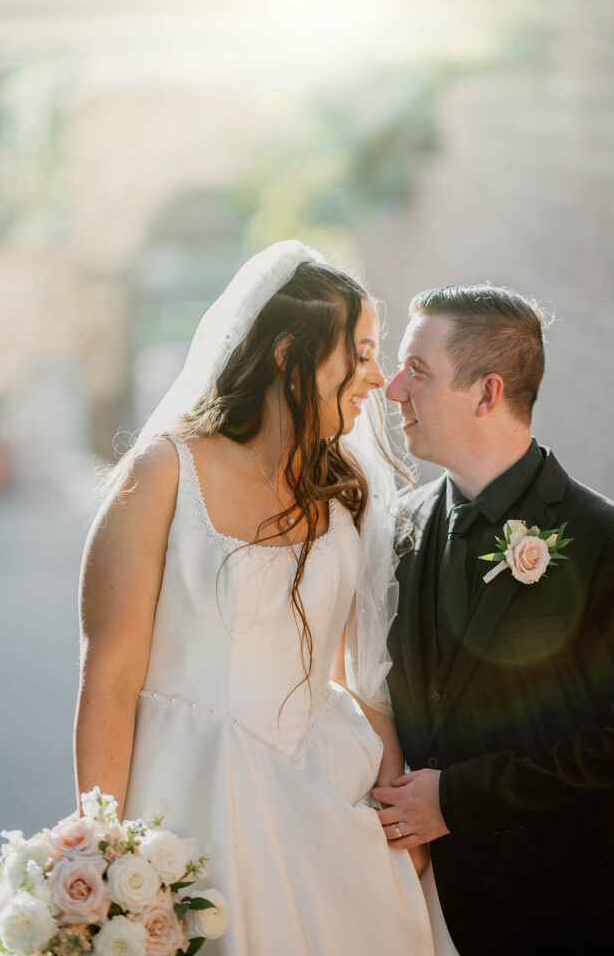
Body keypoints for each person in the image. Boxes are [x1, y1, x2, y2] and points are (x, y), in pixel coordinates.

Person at [74, 242, 455, 956]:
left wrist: (397, 814)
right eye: (362, 351)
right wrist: (97, 852)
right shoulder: (162, 474)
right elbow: (110, 674)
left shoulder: (350, 491)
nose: (378, 377)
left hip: (325, 801)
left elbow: (361, 672)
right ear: (288, 354)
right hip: (187, 796)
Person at [376, 285, 614, 956]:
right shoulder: (398, 528)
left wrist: (459, 796)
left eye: (417, 371)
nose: (394, 390)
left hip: (560, 909)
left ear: (486, 394)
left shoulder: (608, 539)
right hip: (419, 906)